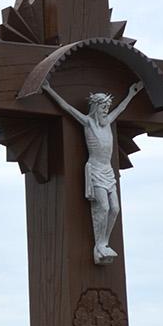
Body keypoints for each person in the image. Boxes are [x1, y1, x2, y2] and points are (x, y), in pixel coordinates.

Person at [41, 79, 141, 264]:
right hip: (95, 170)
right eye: (103, 108)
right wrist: (48, 90)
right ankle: (99, 245)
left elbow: (121, 109)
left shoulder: (108, 122)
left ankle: (104, 241)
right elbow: (66, 107)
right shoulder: (88, 122)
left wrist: (131, 94)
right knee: (102, 207)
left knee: (115, 209)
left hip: (108, 171)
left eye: (107, 108)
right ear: (96, 107)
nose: (106, 111)